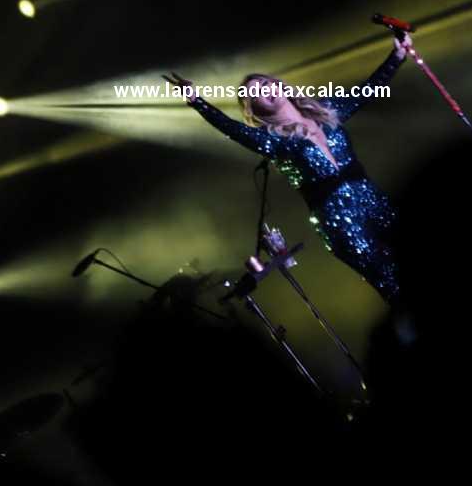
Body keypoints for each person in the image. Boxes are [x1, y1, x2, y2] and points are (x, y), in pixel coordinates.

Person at [164, 34, 411, 306]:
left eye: (266, 84)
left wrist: (397, 56)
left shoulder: (326, 111)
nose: (265, 91)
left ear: (278, 85)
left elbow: (368, 89)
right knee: (391, 282)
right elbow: (231, 128)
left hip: (373, 200)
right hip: (340, 221)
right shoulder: (273, 140)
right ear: (253, 109)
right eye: (255, 94)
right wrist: (197, 101)